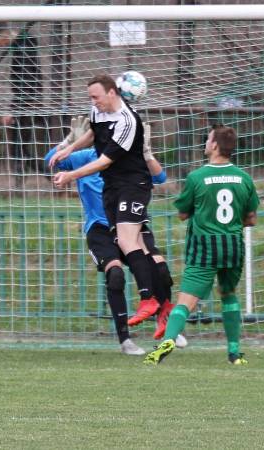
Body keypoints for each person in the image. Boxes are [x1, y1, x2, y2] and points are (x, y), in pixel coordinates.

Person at [45, 117, 186, 352]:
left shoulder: (127, 159)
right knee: (116, 274)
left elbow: (160, 178)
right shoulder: (86, 157)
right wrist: (68, 142)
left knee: (159, 269)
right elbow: (49, 161)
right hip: (100, 228)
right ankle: (125, 340)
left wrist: (147, 154)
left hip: (132, 222)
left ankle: (168, 324)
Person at [50, 75, 161, 329]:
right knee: (129, 242)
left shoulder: (128, 121)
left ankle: (150, 300)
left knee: (128, 240)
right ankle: (152, 300)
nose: (93, 102)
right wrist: (69, 148)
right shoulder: (98, 110)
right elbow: (93, 132)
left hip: (133, 184)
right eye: (91, 97)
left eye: (96, 97)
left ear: (113, 93)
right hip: (112, 186)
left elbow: (104, 161)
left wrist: (71, 175)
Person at [144, 124, 259, 366]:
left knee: (186, 301)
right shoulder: (244, 178)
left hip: (204, 246)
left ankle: (168, 340)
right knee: (228, 294)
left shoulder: (197, 177)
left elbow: (183, 214)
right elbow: (251, 219)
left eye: (208, 139)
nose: (205, 143)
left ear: (215, 145)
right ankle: (234, 353)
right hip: (233, 246)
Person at [0, 21, 45, 177]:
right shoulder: (23, 42)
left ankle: (49, 175)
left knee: (19, 147)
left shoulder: (23, 46)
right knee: (19, 146)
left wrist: (13, 110)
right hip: (29, 99)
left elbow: (27, 81)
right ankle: (25, 181)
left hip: (28, 101)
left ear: (2, 34)